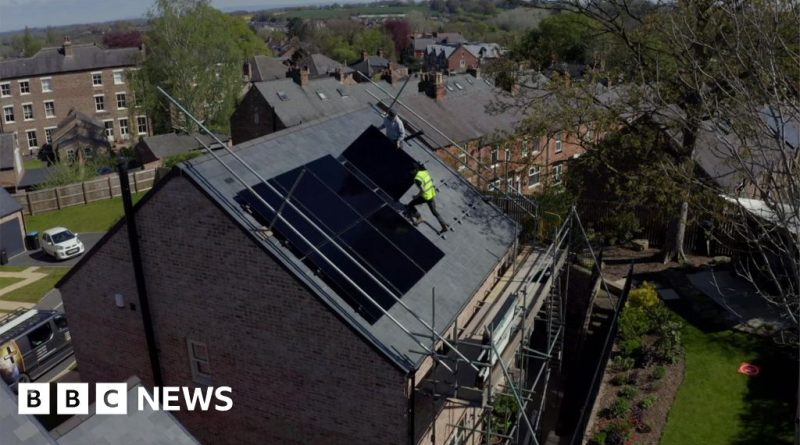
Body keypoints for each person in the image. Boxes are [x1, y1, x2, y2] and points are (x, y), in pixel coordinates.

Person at [405, 162, 449, 234]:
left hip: (426, 196)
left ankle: (419, 217)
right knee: (434, 211)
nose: (410, 172)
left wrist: (416, 196)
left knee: (411, 204)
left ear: (414, 170)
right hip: (431, 192)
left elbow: (422, 190)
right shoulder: (423, 171)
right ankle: (443, 225)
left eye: (411, 171)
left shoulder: (417, 179)